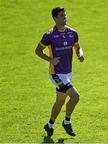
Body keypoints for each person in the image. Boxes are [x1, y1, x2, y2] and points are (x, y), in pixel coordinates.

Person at [35, 7, 84, 137]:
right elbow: (38, 51)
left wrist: (80, 54)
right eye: (62, 16)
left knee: (60, 101)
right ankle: (66, 122)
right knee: (75, 96)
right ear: (55, 18)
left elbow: (78, 47)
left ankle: (49, 125)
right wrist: (50, 59)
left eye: (65, 15)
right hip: (55, 74)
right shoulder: (49, 35)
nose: (65, 18)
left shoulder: (72, 33)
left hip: (68, 73)